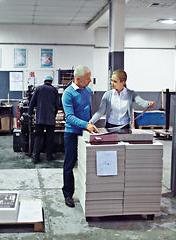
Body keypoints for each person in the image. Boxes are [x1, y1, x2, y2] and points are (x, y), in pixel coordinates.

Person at [61, 65, 99, 208]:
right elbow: (69, 117)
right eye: (88, 78)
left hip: (85, 131)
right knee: (69, 164)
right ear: (78, 79)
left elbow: (88, 111)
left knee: (87, 163)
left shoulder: (88, 91)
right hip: (72, 132)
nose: (90, 81)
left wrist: (90, 125)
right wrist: (86, 125)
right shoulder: (68, 94)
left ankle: (88, 192)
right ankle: (68, 194)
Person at [90, 69, 155, 129]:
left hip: (125, 126)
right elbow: (100, 112)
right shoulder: (107, 95)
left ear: (123, 82)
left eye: (115, 81)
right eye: (111, 80)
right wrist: (90, 122)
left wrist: (148, 103)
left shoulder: (131, 94)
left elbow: (141, 102)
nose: (112, 83)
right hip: (110, 126)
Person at [28, 75, 59, 163]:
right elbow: (57, 104)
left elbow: (32, 102)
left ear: (44, 81)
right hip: (50, 118)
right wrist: (54, 114)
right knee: (50, 138)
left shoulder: (38, 88)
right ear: (51, 82)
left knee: (38, 137)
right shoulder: (54, 90)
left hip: (40, 118)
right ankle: (49, 157)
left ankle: (35, 158)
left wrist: (30, 114)